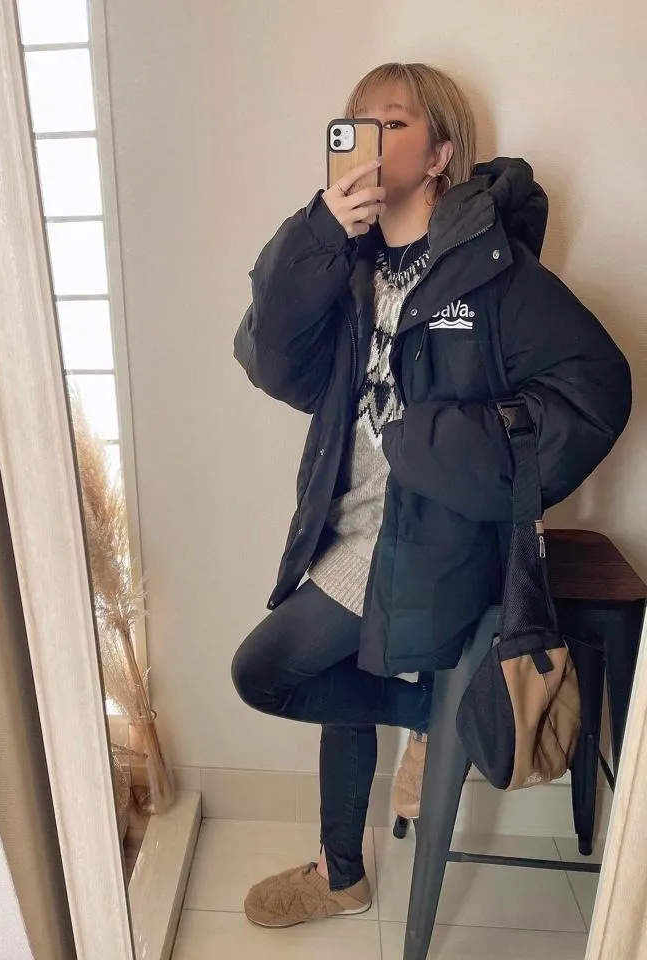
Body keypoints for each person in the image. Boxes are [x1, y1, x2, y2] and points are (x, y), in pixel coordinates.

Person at [231, 61, 631, 929]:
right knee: (327, 671)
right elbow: (268, 357)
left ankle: (435, 716)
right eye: (356, 125)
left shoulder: (490, 272)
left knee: (262, 673)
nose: (370, 141)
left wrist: (450, 446)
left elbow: (597, 388)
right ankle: (348, 864)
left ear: (441, 152)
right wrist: (318, 232)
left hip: (431, 537)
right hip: (342, 525)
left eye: (393, 123)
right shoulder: (347, 265)